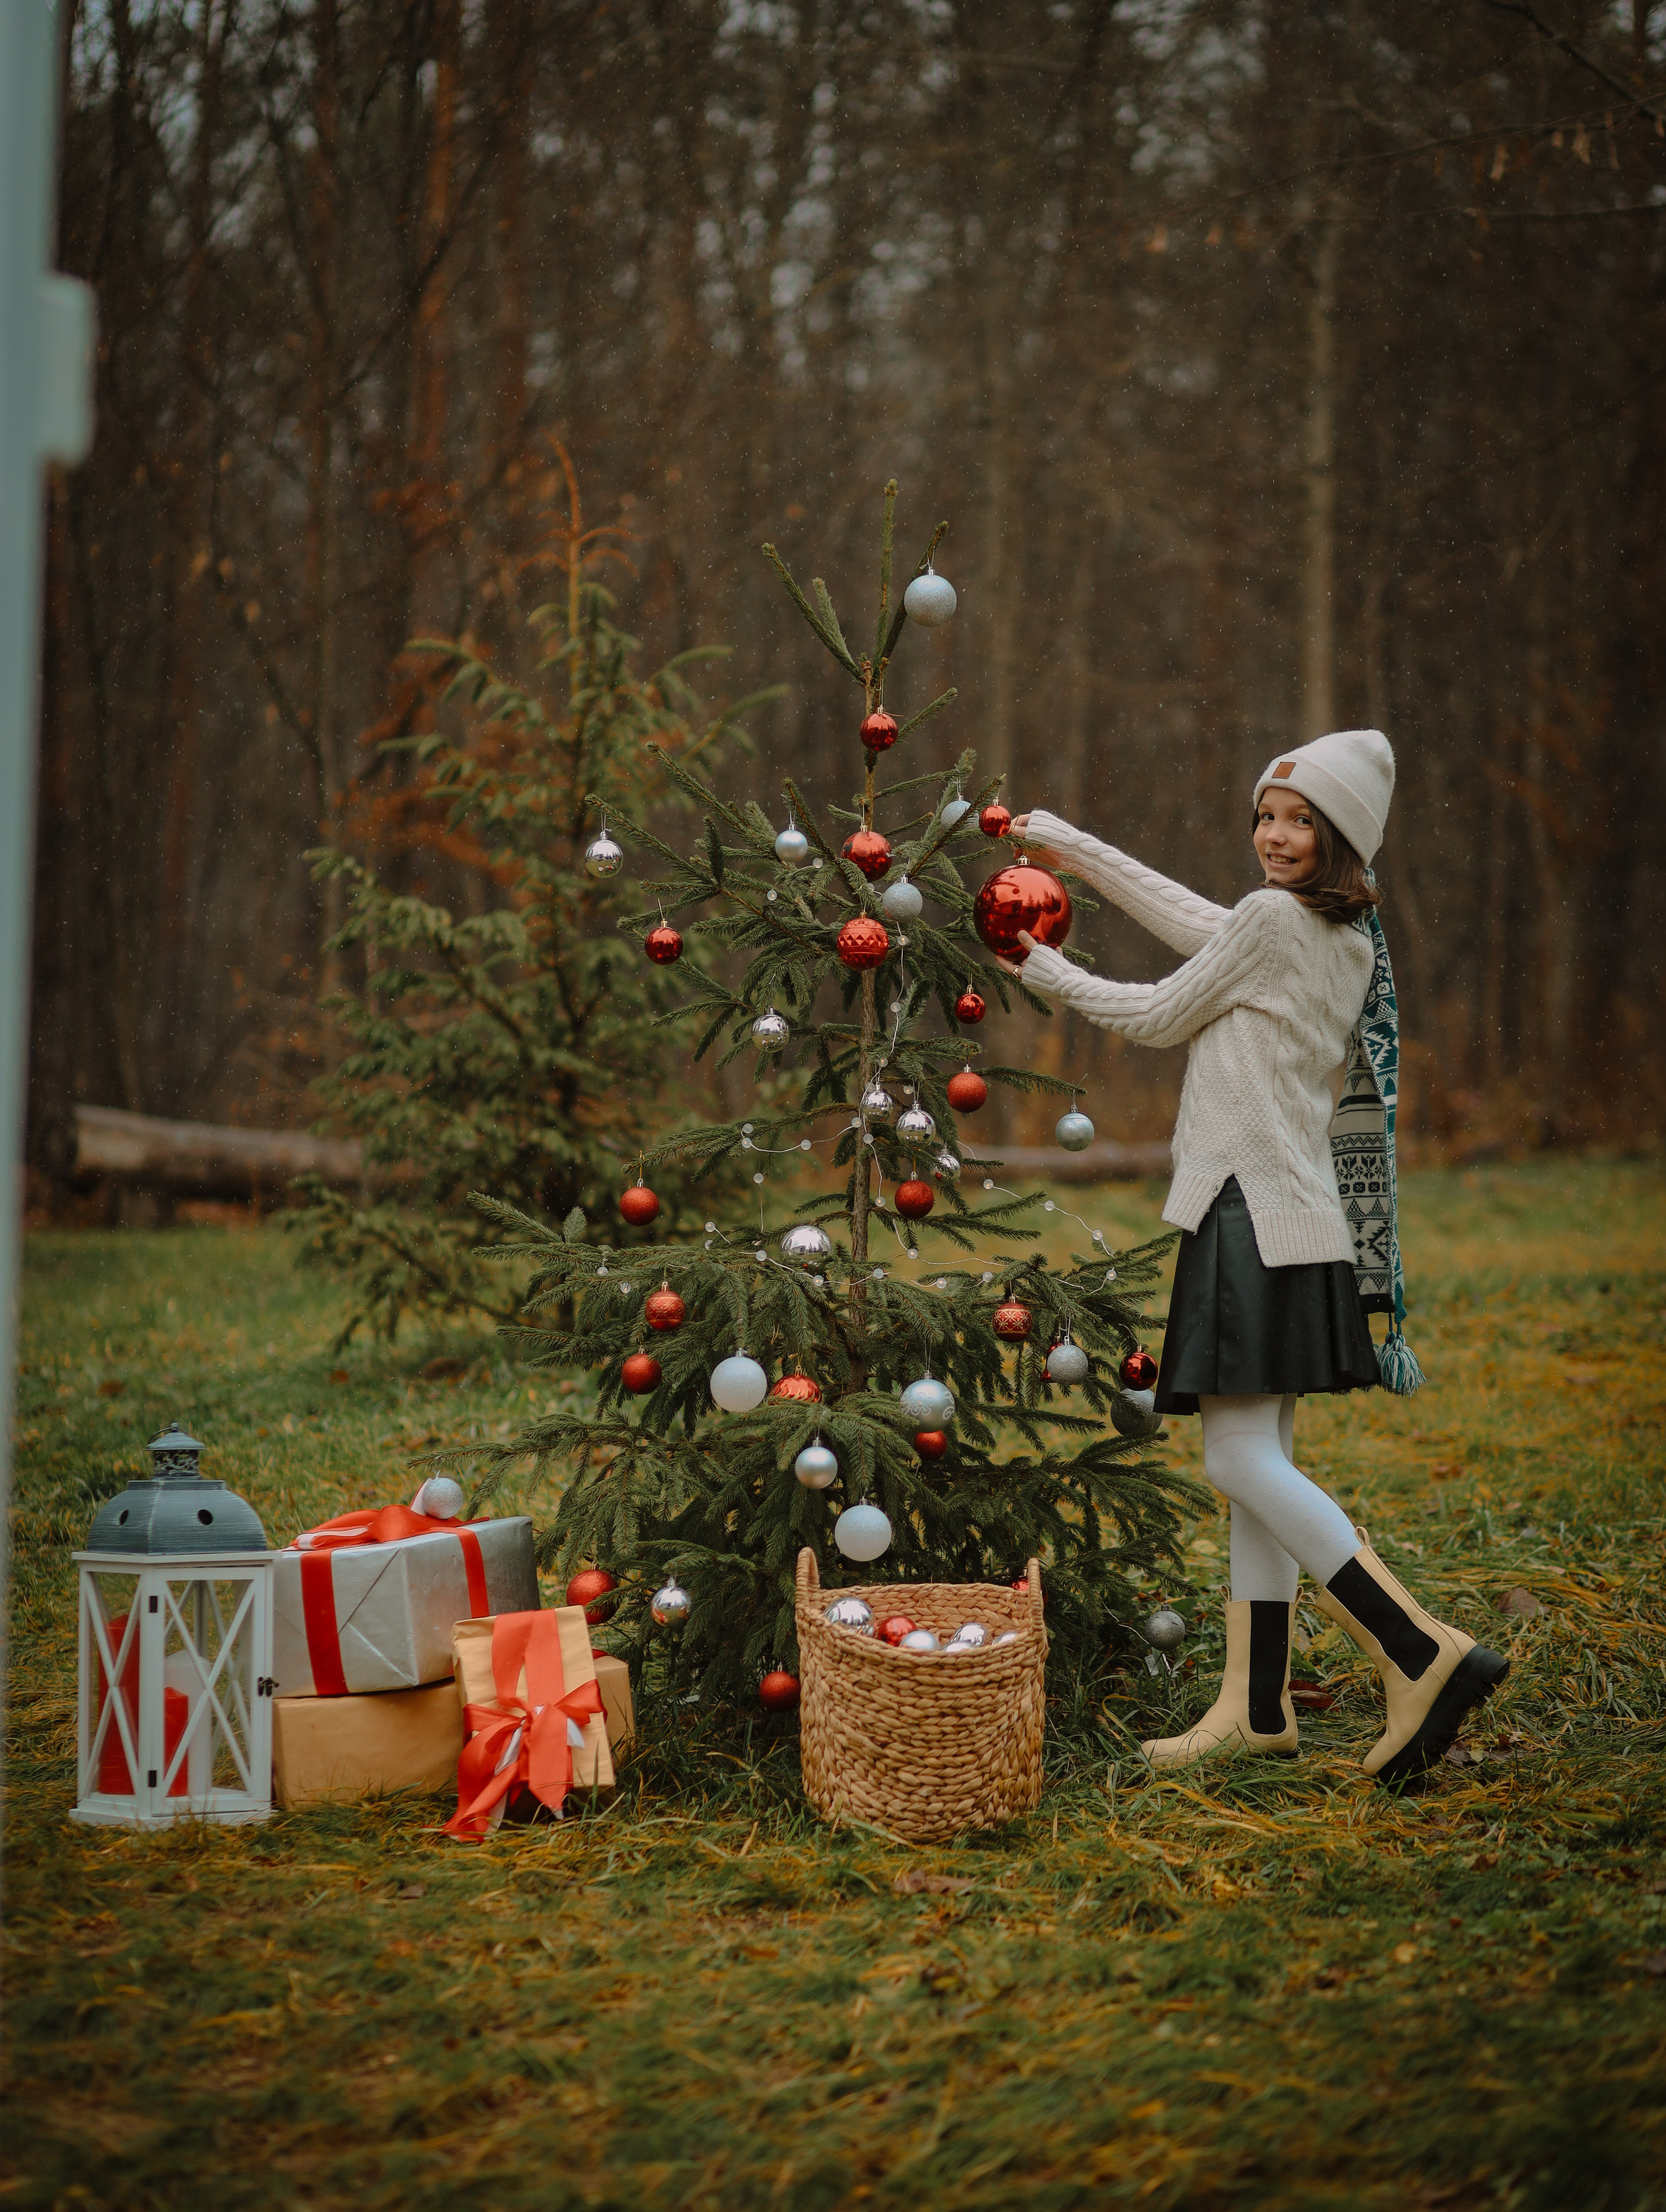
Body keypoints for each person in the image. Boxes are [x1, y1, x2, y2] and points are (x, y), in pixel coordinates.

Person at [1005, 729, 1506, 1788]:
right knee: (1257, 1465)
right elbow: (1203, 922)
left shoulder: (1275, 923)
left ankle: (1420, 1650)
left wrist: (1034, 961)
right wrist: (1071, 850)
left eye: (1299, 822)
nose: (1275, 837)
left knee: (1237, 1461)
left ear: (1340, 839)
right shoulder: (1338, 936)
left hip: (1249, 1220)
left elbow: (1153, 1015)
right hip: (1300, 1222)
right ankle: (1256, 1705)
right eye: (1266, 817)